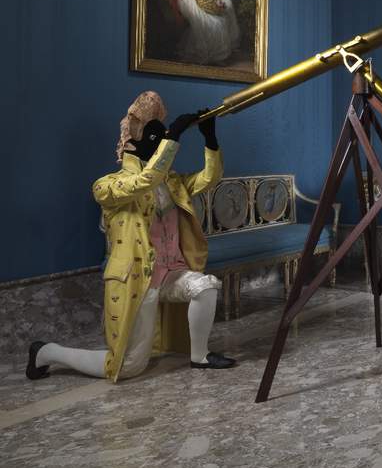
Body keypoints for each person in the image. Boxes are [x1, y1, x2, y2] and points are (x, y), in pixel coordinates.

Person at [26, 91, 236, 382]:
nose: (160, 143)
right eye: (155, 139)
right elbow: (145, 180)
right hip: (137, 280)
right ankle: (46, 352)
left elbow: (209, 178)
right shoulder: (108, 186)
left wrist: (210, 139)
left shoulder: (172, 182)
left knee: (205, 286)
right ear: (132, 144)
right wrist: (173, 137)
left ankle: (200, 356)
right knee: (128, 366)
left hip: (171, 272)